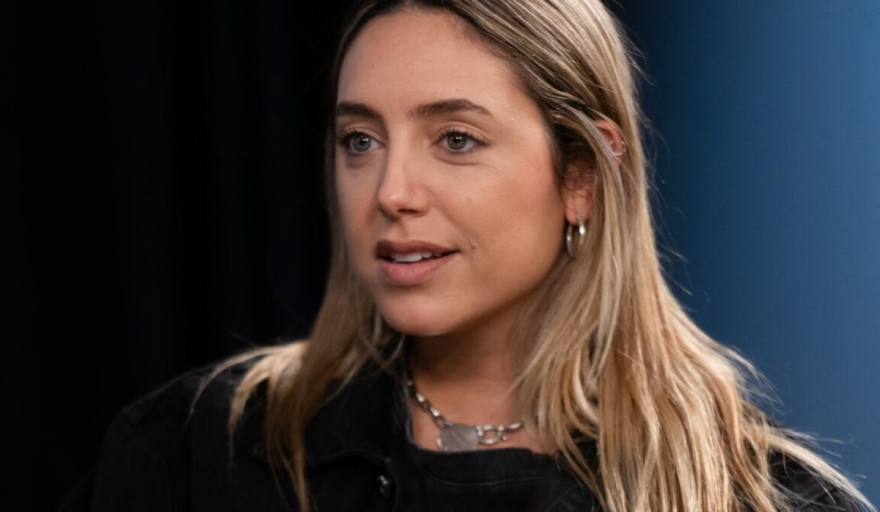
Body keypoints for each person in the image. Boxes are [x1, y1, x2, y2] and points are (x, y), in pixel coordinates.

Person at [62, 0, 874, 511]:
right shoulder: (197, 450)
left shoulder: (751, 492)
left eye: (455, 139)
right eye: (360, 139)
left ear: (582, 176)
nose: (391, 191)